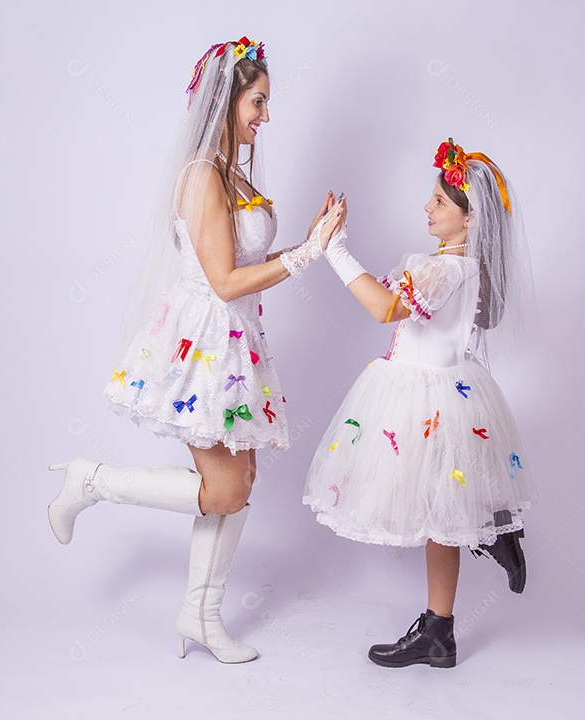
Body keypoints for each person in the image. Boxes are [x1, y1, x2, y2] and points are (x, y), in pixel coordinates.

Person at [47, 37, 346, 664]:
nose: (267, 115)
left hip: (236, 339)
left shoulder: (235, 171)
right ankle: (93, 481)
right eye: (258, 101)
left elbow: (246, 261)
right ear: (229, 99)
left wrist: (309, 239)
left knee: (241, 479)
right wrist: (308, 254)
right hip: (201, 345)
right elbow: (224, 281)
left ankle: (201, 614)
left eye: (268, 102)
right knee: (226, 488)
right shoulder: (203, 176)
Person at [303, 138, 536, 668]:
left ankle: (489, 531)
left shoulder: (444, 269)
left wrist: (333, 251)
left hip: (423, 402)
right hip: (452, 394)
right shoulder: (464, 269)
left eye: (438, 202)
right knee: (441, 513)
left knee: (439, 510)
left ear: (469, 219)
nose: (426, 209)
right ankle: (442, 626)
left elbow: (386, 309)